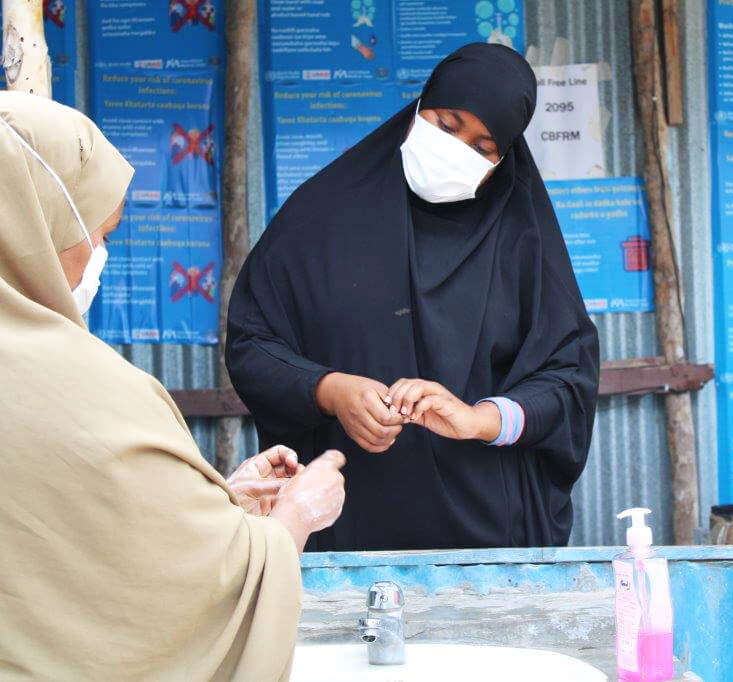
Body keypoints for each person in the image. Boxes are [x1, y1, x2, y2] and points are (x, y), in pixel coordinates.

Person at [0, 91, 347, 678]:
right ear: (36, 227)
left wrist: (212, 502)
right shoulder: (88, 390)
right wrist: (295, 517)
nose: (100, 258)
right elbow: (166, 606)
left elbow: (56, 546)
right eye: (100, 234)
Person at [226, 43, 600, 551]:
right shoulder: (323, 217)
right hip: (345, 529)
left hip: (491, 547)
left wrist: (478, 420)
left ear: (504, 157)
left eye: (483, 147)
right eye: (446, 125)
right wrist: (331, 390)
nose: (458, 150)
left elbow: (569, 378)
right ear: (418, 109)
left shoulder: (521, 240)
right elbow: (252, 343)